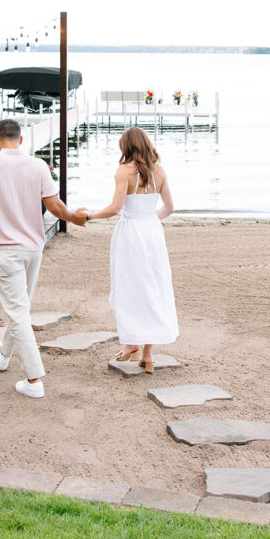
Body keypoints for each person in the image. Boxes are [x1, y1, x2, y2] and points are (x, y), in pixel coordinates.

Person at [0, 117, 87, 399]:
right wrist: (75, 218)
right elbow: (55, 207)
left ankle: (34, 379)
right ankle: (4, 355)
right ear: (21, 140)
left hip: (6, 250)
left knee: (18, 311)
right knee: (20, 307)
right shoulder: (38, 166)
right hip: (34, 249)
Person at [81, 126, 178, 372]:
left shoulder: (124, 171)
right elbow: (169, 208)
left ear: (127, 147)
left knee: (129, 287)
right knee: (152, 287)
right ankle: (147, 353)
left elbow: (115, 208)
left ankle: (131, 343)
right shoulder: (161, 172)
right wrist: (150, 220)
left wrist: (90, 216)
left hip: (130, 233)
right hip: (152, 233)